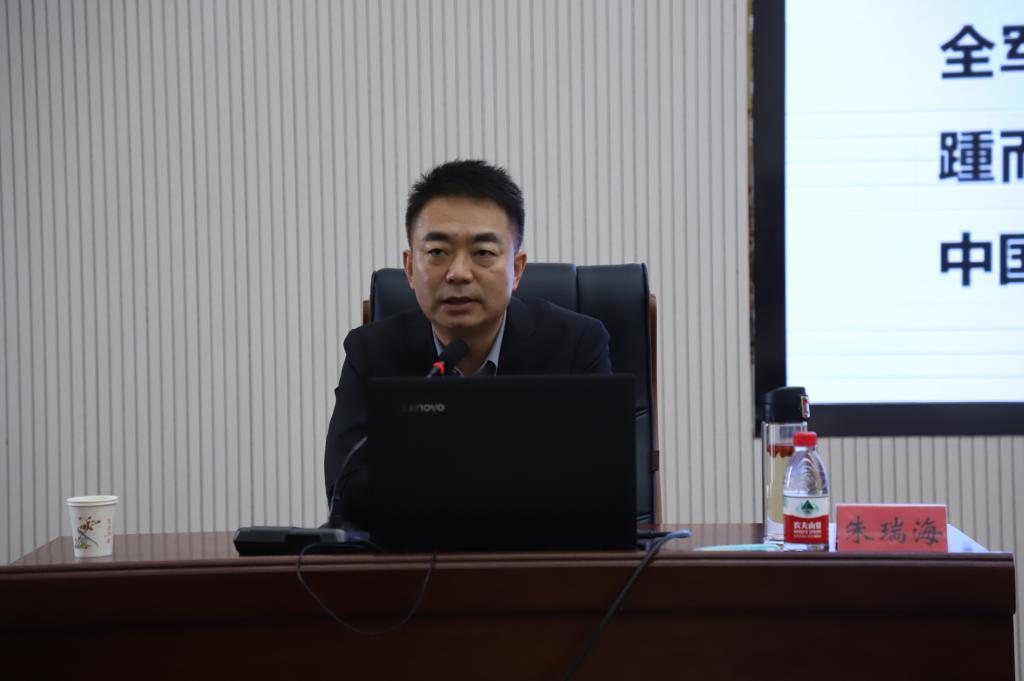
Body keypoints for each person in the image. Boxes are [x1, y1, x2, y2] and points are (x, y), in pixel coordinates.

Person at [324, 160, 611, 529]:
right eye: (437, 252)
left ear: (517, 270)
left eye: (483, 253)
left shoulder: (575, 345)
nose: (458, 273)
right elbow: (346, 491)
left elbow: (598, 488)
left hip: (539, 558)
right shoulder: (371, 352)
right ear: (410, 268)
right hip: (411, 559)